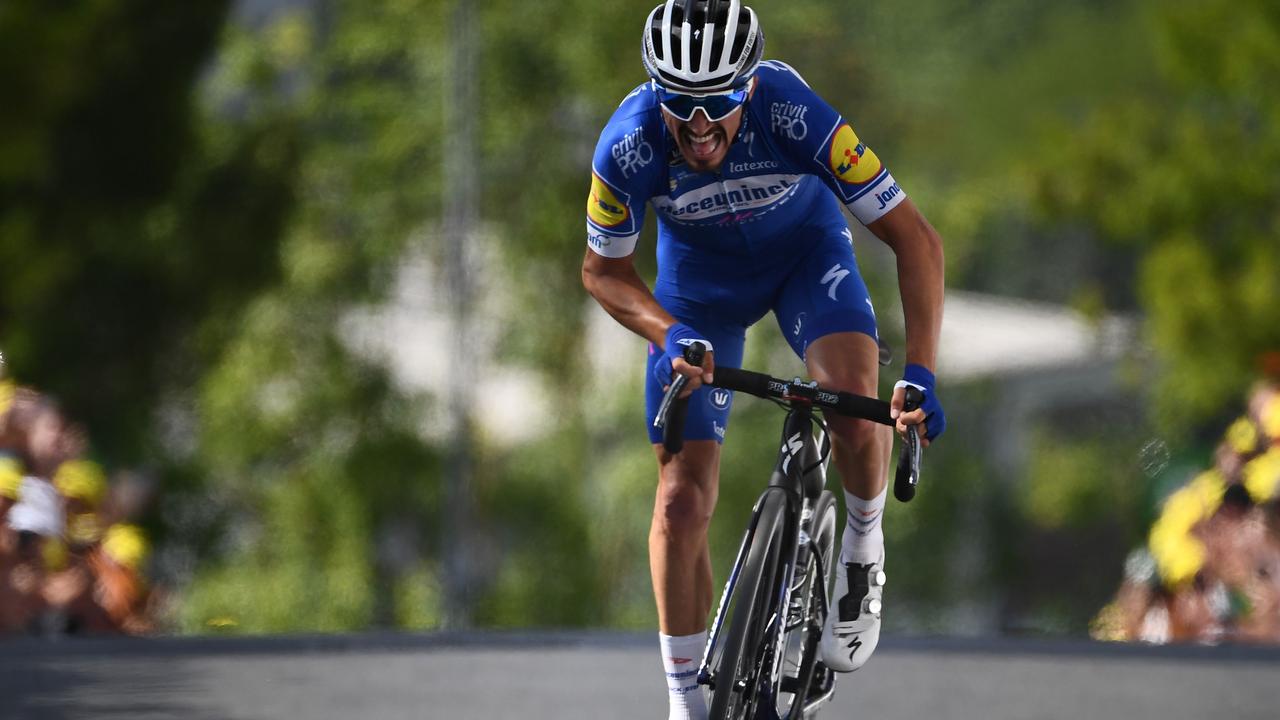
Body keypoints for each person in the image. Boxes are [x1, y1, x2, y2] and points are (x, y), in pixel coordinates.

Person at [580, 2, 945, 717]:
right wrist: (665, 331)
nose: (698, 125)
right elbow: (602, 273)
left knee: (850, 395)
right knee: (680, 502)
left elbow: (917, 241)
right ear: (656, 93)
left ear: (749, 88)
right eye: (679, 104)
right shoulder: (626, 146)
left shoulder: (794, 113)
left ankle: (862, 552)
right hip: (699, 296)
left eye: (717, 103)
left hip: (805, 259)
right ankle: (686, 703)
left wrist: (922, 373)